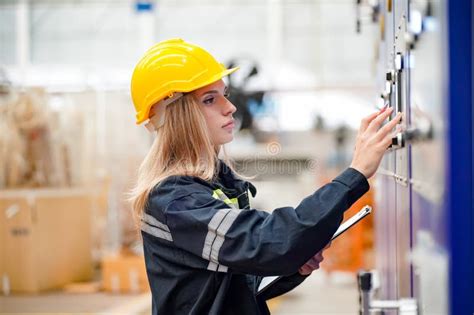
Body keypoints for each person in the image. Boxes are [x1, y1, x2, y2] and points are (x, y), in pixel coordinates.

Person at [129, 38, 402, 315]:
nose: (230, 107)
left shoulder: (211, 184)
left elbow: (234, 283)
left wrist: (294, 266)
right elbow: (268, 242)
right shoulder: (176, 201)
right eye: (210, 99)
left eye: (224, 94)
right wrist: (355, 174)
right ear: (178, 116)